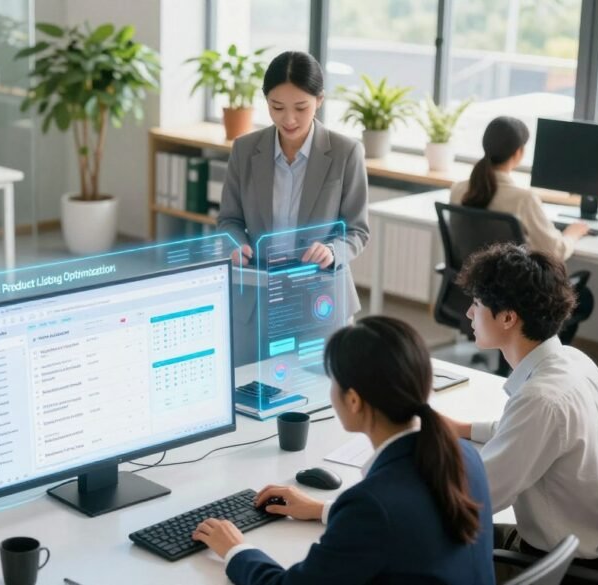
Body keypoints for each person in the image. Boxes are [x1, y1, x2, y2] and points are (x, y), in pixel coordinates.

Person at [193, 316, 495, 585]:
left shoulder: (371, 506)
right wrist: (323, 509)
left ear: (353, 400)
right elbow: (407, 525)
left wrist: (235, 550)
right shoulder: (463, 455)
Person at [445, 243, 598, 571]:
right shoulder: (574, 361)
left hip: (565, 569)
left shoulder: (540, 400)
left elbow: (475, 498)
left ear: (507, 317)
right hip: (593, 544)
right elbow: (525, 430)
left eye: (476, 304)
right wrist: (459, 429)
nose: (470, 313)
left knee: (427, 548)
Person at [217, 50, 369, 316]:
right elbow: (230, 219)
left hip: (322, 294)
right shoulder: (244, 149)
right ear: (266, 101)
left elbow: (357, 230)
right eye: (277, 107)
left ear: (319, 100)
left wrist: (333, 250)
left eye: (301, 108)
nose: (288, 119)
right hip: (259, 291)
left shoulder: (346, 153)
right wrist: (236, 245)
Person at [450, 116, 589, 259]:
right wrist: (572, 234)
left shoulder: (458, 190)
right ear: (518, 152)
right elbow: (555, 252)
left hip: (470, 279)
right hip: (510, 281)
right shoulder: (524, 200)